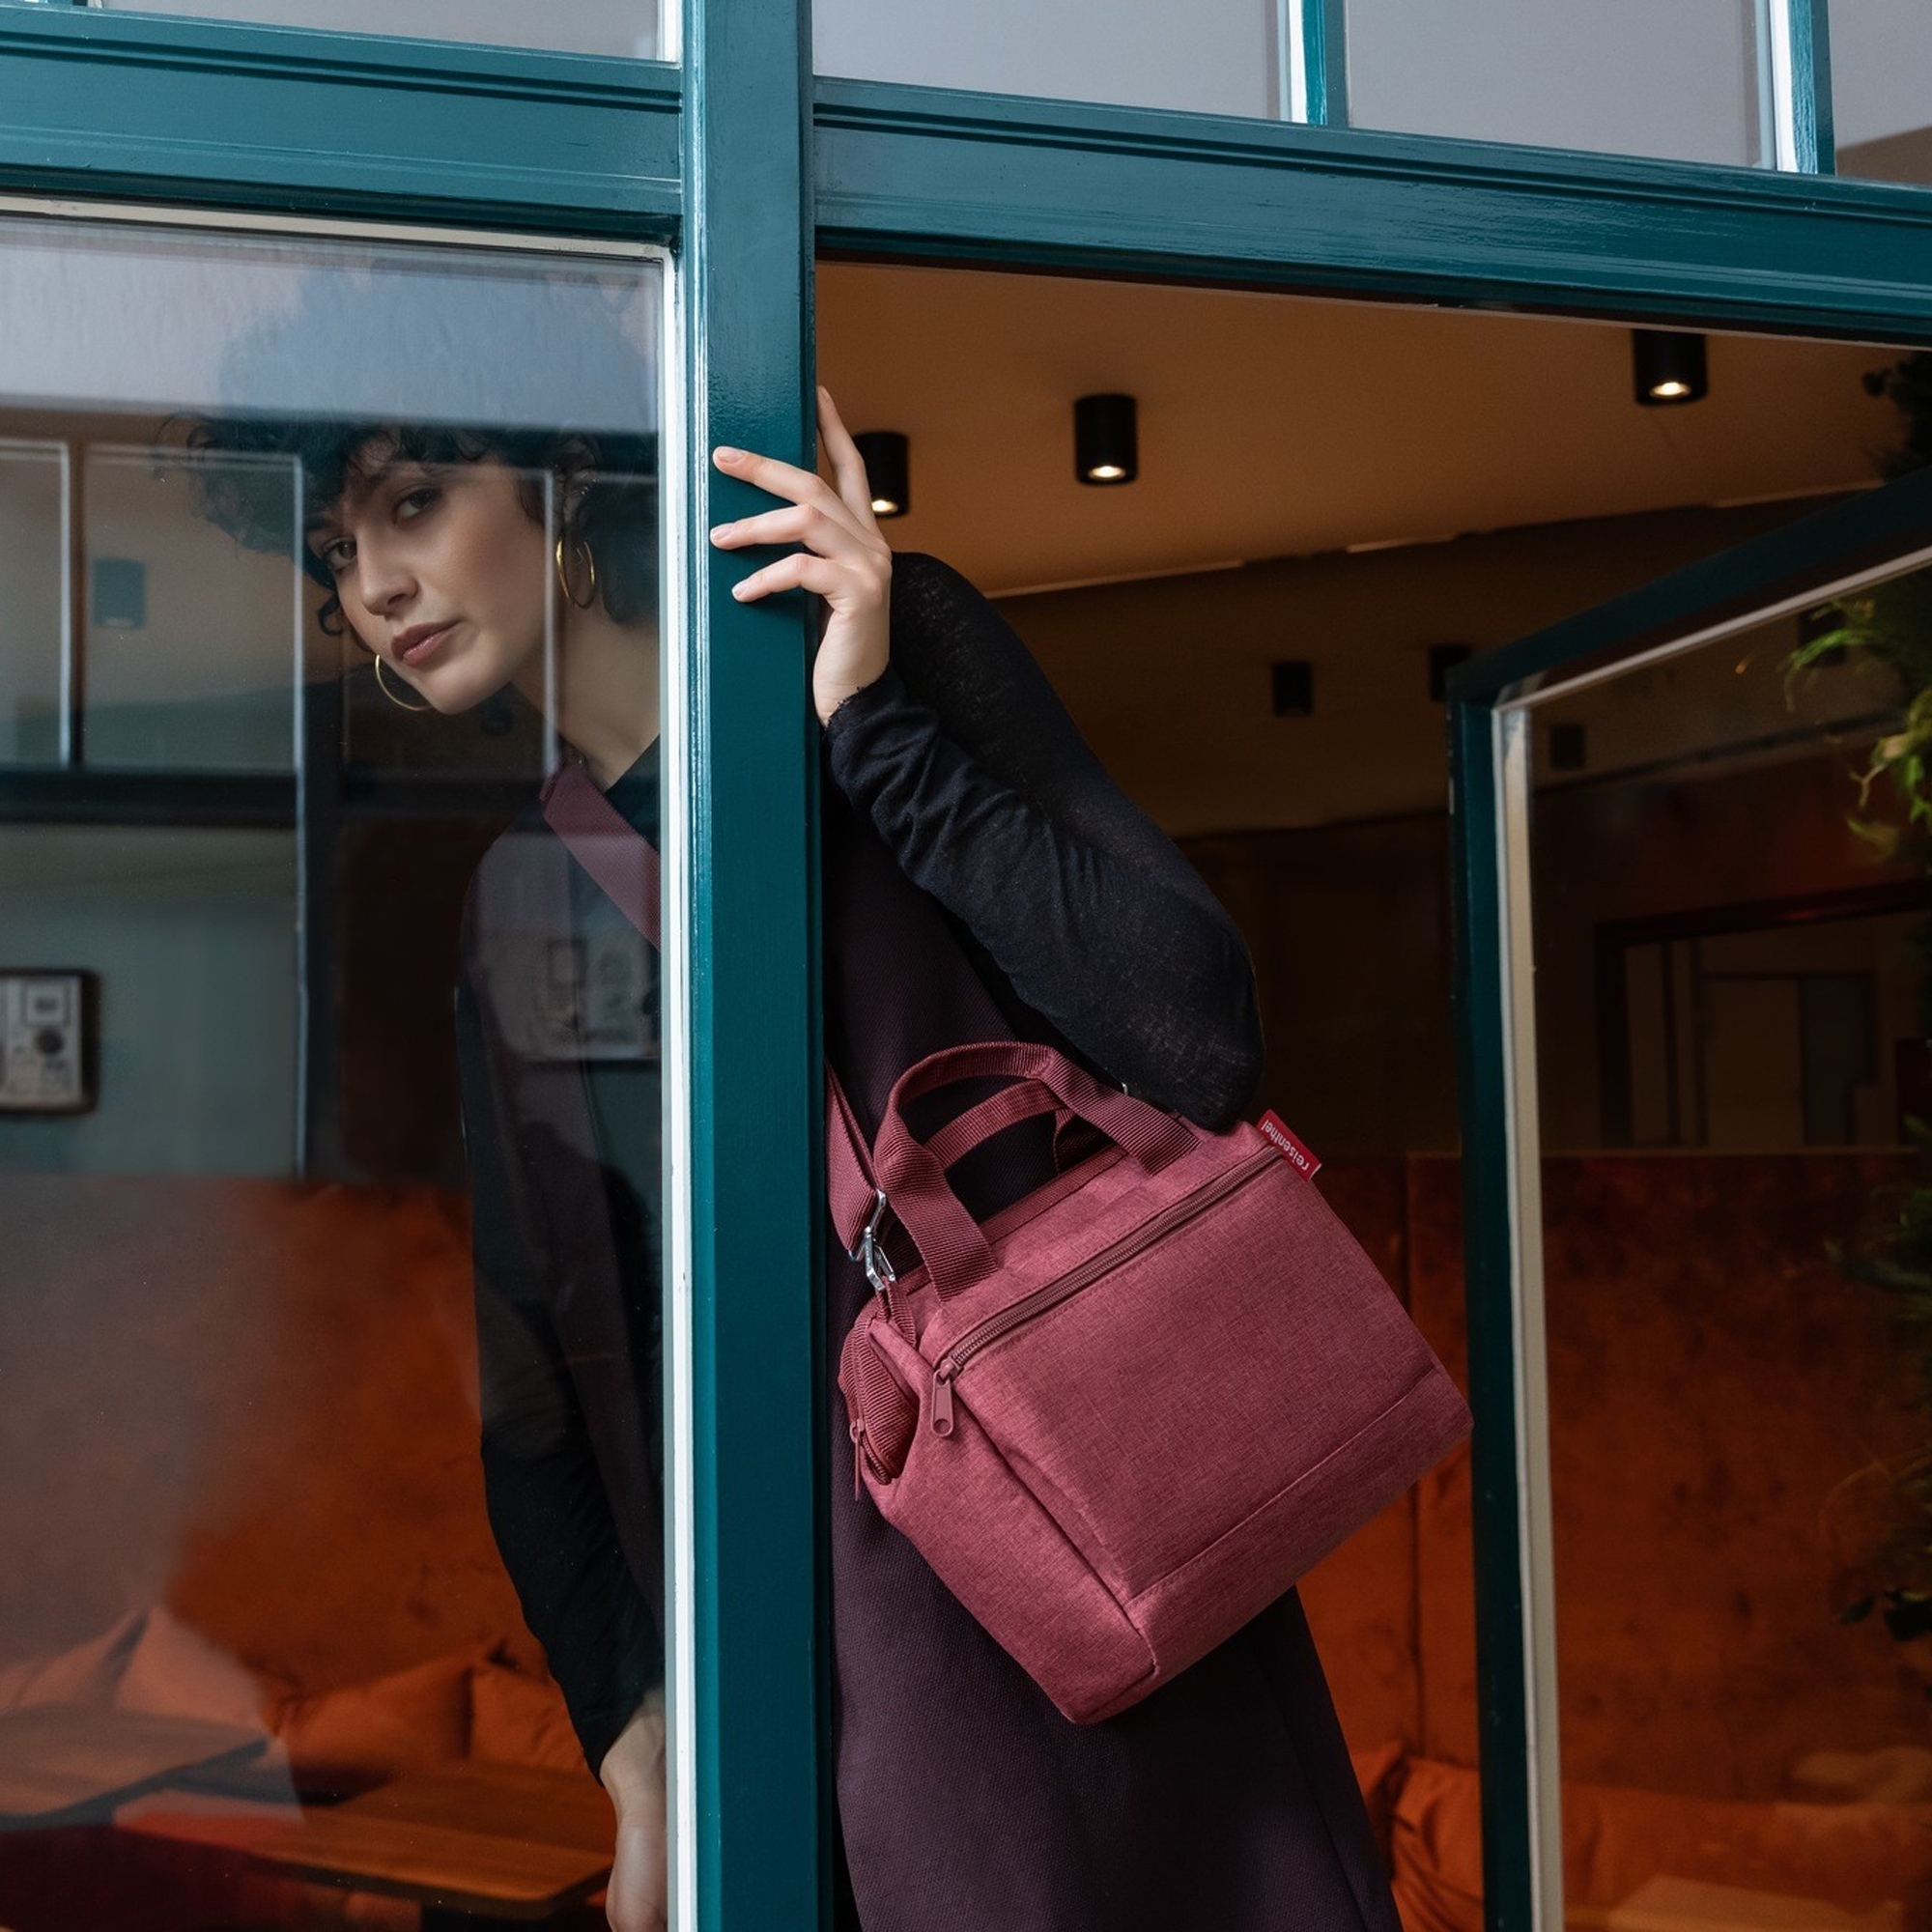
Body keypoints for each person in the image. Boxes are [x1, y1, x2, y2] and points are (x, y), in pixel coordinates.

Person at [186, 386, 1403, 1932]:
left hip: (1057, 1540)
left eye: (413, 503)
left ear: (563, 473)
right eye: (335, 549)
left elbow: (1200, 1036)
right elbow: (538, 1366)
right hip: (768, 1647)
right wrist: (634, 1739)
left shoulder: (890, 655)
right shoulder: (527, 893)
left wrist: (873, 725)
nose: (375, 584)